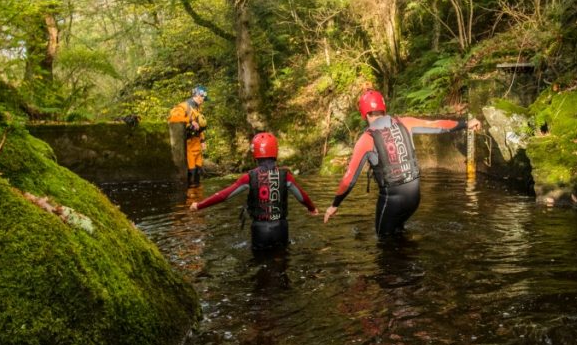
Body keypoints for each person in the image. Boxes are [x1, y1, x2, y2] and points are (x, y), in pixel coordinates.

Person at [323, 89, 481, 235]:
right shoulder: (405, 122)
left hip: (392, 200)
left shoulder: (366, 139)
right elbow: (436, 125)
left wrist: (334, 205)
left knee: (384, 242)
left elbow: (348, 180)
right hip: (414, 197)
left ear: (364, 114)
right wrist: (466, 124)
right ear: (383, 108)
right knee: (399, 232)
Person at [190, 132, 319, 250]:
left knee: (260, 268)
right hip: (281, 228)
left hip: (260, 230)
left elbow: (224, 195)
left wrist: (199, 205)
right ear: (275, 151)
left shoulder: (249, 177)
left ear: (255, 153)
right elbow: (302, 196)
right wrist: (312, 208)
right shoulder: (286, 176)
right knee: (281, 264)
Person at [168, 85, 209, 186]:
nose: (203, 100)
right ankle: (191, 196)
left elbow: (199, 128)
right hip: (188, 144)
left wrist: (203, 141)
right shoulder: (183, 107)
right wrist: (190, 121)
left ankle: (199, 198)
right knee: (192, 171)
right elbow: (173, 119)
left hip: (197, 144)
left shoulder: (198, 108)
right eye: (203, 98)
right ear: (198, 95)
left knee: (198, 171)